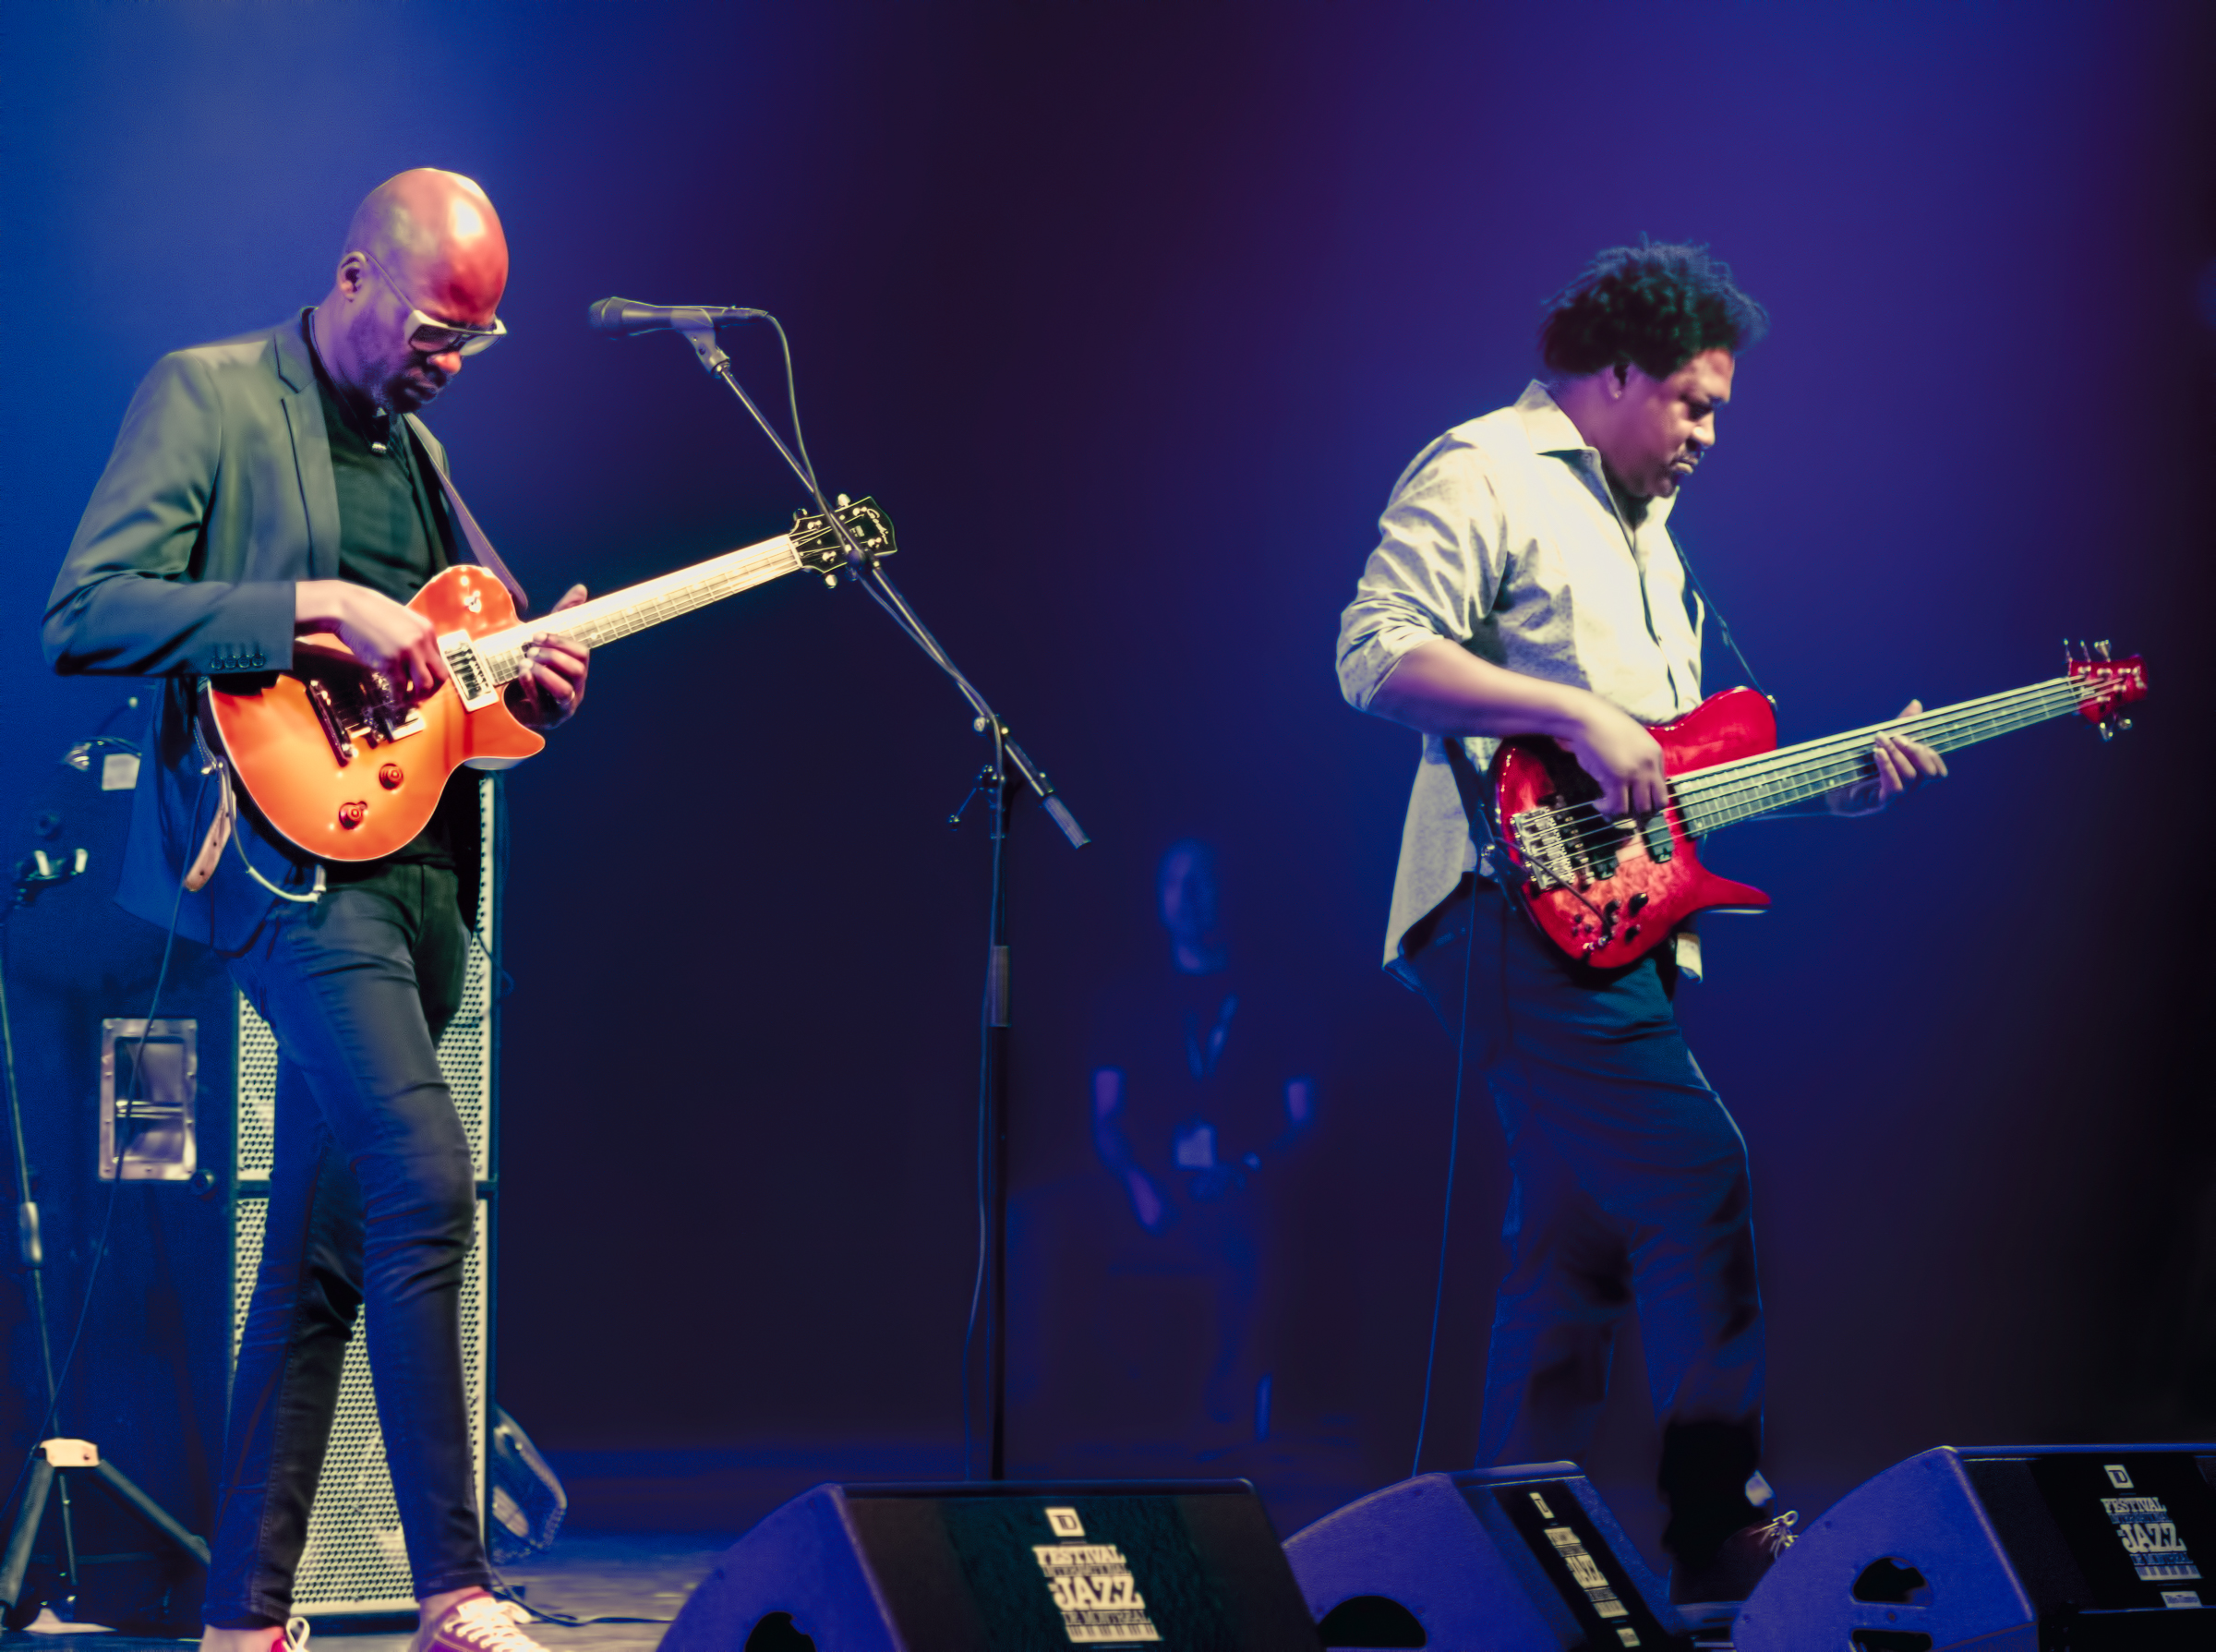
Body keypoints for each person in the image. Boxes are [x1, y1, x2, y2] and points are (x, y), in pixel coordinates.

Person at [1334, 242, 1945, 1610]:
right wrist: (1565, 708)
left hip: (1617, 929)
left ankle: (1501, 1560)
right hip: (1500, 911)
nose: (1708, 438)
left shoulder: (1655, 542)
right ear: (1613, 376)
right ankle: (1718, 1516)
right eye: (1694, 404)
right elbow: (1370, 653)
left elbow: (1666, 786)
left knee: (1572, 1251)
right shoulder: (1484, 467)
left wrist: (1838, 788)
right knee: (1693, 1167)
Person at [43, 169, 588, 1652]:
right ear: (355, 274)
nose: (453, 360)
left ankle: (243, 1621)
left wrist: (521, 687)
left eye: (479, 338)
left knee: (317, 1260)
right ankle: (458, 1590)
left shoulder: (422, 458)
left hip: (419, 893)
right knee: (429, 1181)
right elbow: (84, 611)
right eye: (435, 326)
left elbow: (443, 701)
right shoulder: (210, 394)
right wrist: (306, 606)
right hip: (290, 882)